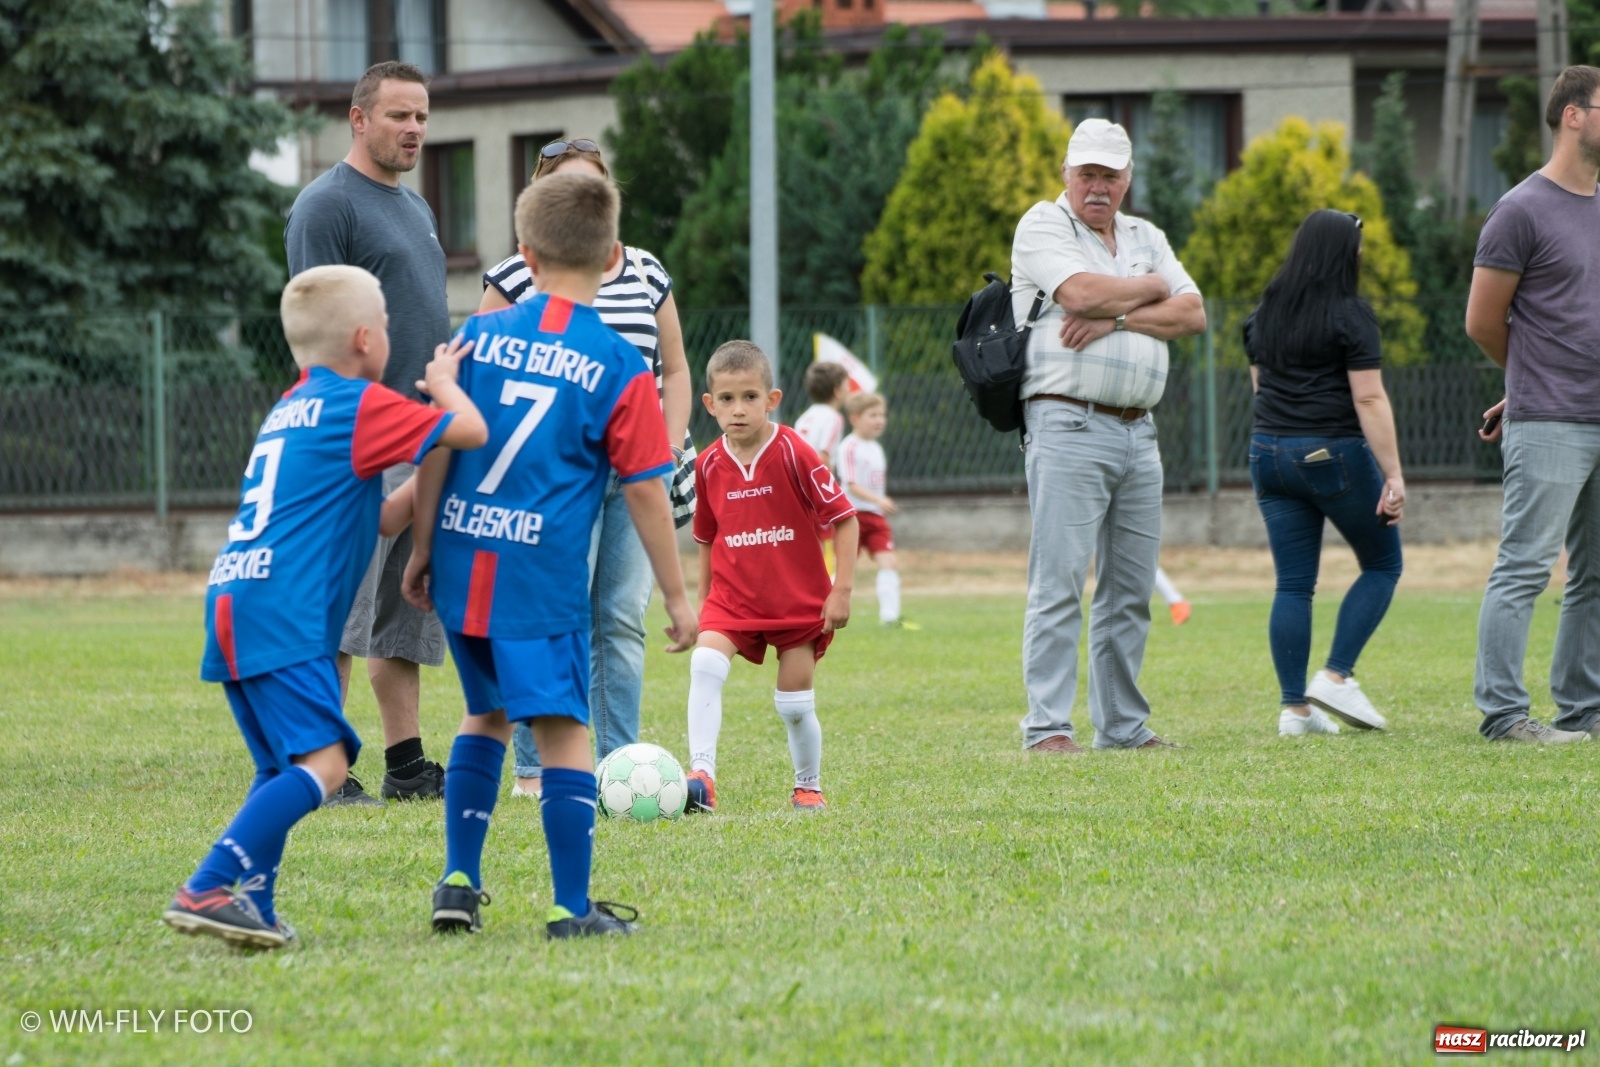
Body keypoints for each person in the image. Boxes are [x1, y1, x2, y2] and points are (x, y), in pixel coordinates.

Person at [401, 172, 697, 939]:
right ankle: (571, 906)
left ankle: (459, 879)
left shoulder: (474, 337)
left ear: (524, 255)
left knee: (485, 713)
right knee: (565, 729)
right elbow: (644, 490)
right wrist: (676, 594)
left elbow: (438, 443)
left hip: (466, 560)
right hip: (541, 576)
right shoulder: (618, 365)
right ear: (611, 262)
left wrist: (424, 545)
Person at [162, 266, 487, 949]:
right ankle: (210, 883)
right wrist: (446, 385)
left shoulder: (292, 406)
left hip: (236, 600)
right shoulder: (359, 404)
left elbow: (385, 515)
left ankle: (255, 903)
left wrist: (428, 476)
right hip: (285, 613)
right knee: (327, 765)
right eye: (391, 329)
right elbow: (470, 430)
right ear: (367, 339)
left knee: (280, 768)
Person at [475, 139, 693, 799]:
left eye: (592, 188)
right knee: (554, 612)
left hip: (638, 476)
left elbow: (676, 367)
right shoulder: (514, 275)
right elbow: (481, 374)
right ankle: (537, 768)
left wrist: (672, 442)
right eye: (566, 189)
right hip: (555, 478)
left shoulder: (649, 271)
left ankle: (617, 763)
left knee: (621, 617)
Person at [1008, 118, 1207, 754]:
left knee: (1129, 590)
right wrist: (1149, 287)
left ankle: (1122, 727)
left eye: (1110, 175)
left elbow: (1194, 313)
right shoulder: (1043, 224)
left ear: (1128, 179)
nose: (1098, 186)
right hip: (1066, 419)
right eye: (1087, 173)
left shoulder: (1146, 234)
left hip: (1138, 429)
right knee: (1060, 581)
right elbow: (1077, 291)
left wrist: (1116, 317)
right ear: (1067, 174)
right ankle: (1047, 728)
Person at [285, 61, 452, 805]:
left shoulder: (414, 205)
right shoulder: (325, 206)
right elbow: (318, 327)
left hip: (418, 435)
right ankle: (325, 765)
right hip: (358, 436)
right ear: (358, 119)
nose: (414, 128)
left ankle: (406, 762)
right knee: (343, 609)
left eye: (421, 116)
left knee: (402, 609)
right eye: (398, 116)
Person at [1465, 65, 1600, 744]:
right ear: (1572, 115)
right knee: (1524, 566)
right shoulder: (1521, 209)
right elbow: (1484, 321)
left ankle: (1584, 710)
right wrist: (1527, 381)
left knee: (1595, 575)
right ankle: (1503, 714)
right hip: (1549, 418)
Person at [1243, 210, 1405, 738]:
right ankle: (1336, 675)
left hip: (1268, 454)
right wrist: (1394, 475)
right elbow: (1368, 397)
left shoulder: (1264, 312)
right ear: (1342, 254)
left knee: (1293, 584)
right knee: (1383, 564)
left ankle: (1295, 710)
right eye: (1356, 247)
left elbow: (1260, 388)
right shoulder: (1351, 314)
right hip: (1330, 453)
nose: (1360, 255)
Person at [682, 341, 859, 813]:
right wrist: (705, 608)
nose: (738, 410)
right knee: (705, 664)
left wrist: (840, 590)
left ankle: (808, 786)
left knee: (795, 706)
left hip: (797, 601)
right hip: (732, 600)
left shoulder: (793, 451)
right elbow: (707, 539)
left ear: (772, 399)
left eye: (750, 397)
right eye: (726, 399)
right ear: (709, 404)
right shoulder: (707, 464)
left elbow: (846, 519)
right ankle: (701, 777)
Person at [835, 392, 915, 629]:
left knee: (889, 561)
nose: (880, 420)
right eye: (873, 415)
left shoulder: (876, 448)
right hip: (852, 517)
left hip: (875, 517)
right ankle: (820, 610)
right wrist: (878, 499)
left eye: (882, 415)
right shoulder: (849, 447)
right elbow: (851, 485)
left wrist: (878, 504)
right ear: (855, 418)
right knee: (843, 568)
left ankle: (890, 618)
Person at [794, 360, 849, 466]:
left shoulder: (805, 416)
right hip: (816, 478)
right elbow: (823, 456)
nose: (849, 389)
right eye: (847, 385)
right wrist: (830, 482)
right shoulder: (834, 418)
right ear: (837, 391)